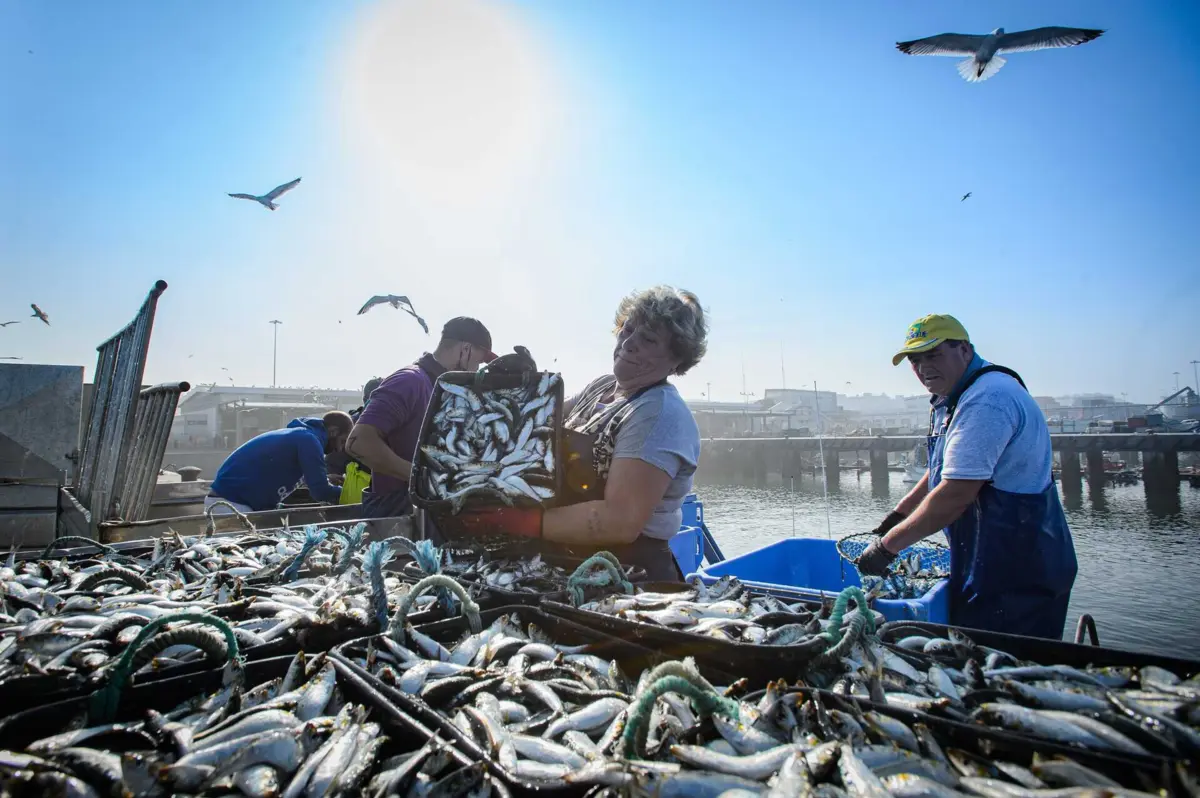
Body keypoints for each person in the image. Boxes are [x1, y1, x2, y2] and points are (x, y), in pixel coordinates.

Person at [441, 286, 706, 582]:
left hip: (627, 574)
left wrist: (521, 522)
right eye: (628, 330)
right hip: (569, 560)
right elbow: (536, 424)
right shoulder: (602, 387)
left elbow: (619, 521)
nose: (629, 344)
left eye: (648, 339)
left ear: (676, 359)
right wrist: (515, 387)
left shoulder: (659, 414)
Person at [856, 314, 1077, 639]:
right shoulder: (957, 395)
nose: (923, 367)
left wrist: (887, 547)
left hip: (1020, 572)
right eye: (915, 360)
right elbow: (946, 466)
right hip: (989, 561)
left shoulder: (987, 400)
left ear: (964, 349)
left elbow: (956, 494)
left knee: (1008, 668)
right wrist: (899, 513)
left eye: (934, 355)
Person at [346, 317, 495, 518]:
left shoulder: (442, 389)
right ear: (465, 349)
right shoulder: (410, 381)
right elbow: (359, 443)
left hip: (427, 508)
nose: (477, 368)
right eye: (479, 360)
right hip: (396, 511)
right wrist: (421, 477)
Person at [205, 411, 354, 514]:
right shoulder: (309, 440)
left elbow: (283, 471)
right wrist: (353, 494)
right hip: (232, 504)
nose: (339, 449)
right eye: (342, 441)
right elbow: (320, 492)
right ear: (333, 431)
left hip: (229, 501)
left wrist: (326, 479)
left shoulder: (301, 436)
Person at [327, 378, 382, 505]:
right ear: (365, 400)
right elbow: (332, 462)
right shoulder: (348, 426)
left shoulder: (395, 424)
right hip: (357, 499)